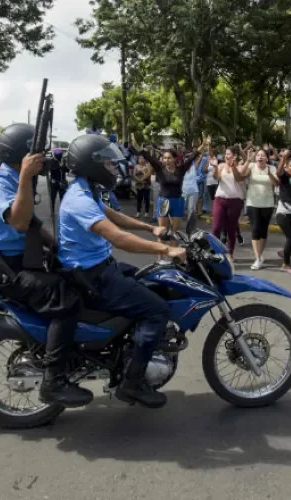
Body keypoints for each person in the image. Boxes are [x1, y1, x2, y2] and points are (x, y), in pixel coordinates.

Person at [58, 134, 187, 408]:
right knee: (157, 310)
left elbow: (110, 215)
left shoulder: (87, 190)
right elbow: (117, 237)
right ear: (92, 165)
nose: (115, 169)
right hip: (93, 277)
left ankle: (127, 351)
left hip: (99, 269)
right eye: (109, 164)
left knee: (151, 282)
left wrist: (151, 228)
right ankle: (133, 383)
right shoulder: (79, 198)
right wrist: (165, 250)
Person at [0, 123, 90, 408]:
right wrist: (26, 175)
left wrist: (57, 247)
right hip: (6, 268)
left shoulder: (15, 180)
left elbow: (33, 225)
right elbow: (20, 221)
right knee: (66, 299)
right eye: (37, 152)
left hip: (20, 260)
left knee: (77, 281)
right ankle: (54, 382)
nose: (44, 157)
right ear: (23, 155)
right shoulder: (0, 183)